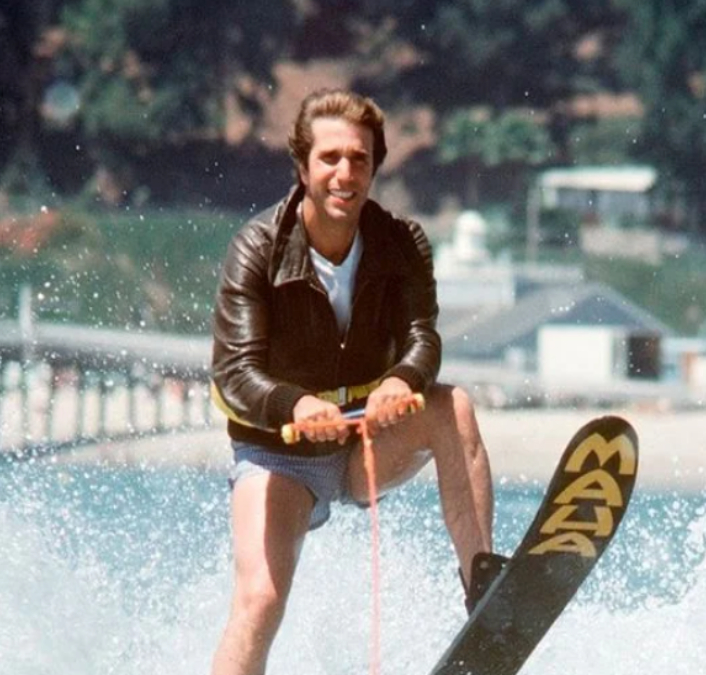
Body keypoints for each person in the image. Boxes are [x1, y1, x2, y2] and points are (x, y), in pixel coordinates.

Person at [209, 89, 505, 675]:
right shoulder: (257, 248)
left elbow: (423, 337)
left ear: (373, 168)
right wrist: (294, 404)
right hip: (279, 455)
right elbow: (234, 372)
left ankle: (485, 592)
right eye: (330, 158)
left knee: (453, 407)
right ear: (303, 167)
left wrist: (403, 379)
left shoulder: (402, 243)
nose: (345, 174)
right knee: (260, 600)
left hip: (364, 443)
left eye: (359, 159)